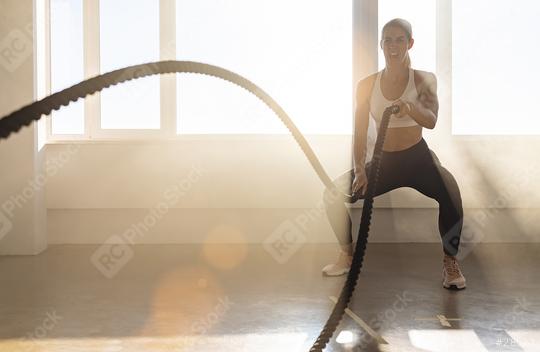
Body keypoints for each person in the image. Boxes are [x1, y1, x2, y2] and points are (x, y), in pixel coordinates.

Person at [321, 18, 466, 290]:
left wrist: (410, 108)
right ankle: (346, 255)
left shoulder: (424, 79)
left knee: (451, 193)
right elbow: (360, 132)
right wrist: (360, 169)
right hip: (383, 162)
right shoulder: (366, 85)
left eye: (400, 39)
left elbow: (431, 120)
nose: (393, 45)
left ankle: (450, 261)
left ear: (410, 44)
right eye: (387, 40)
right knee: (331, 194)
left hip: (418, 158)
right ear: (381, 45)